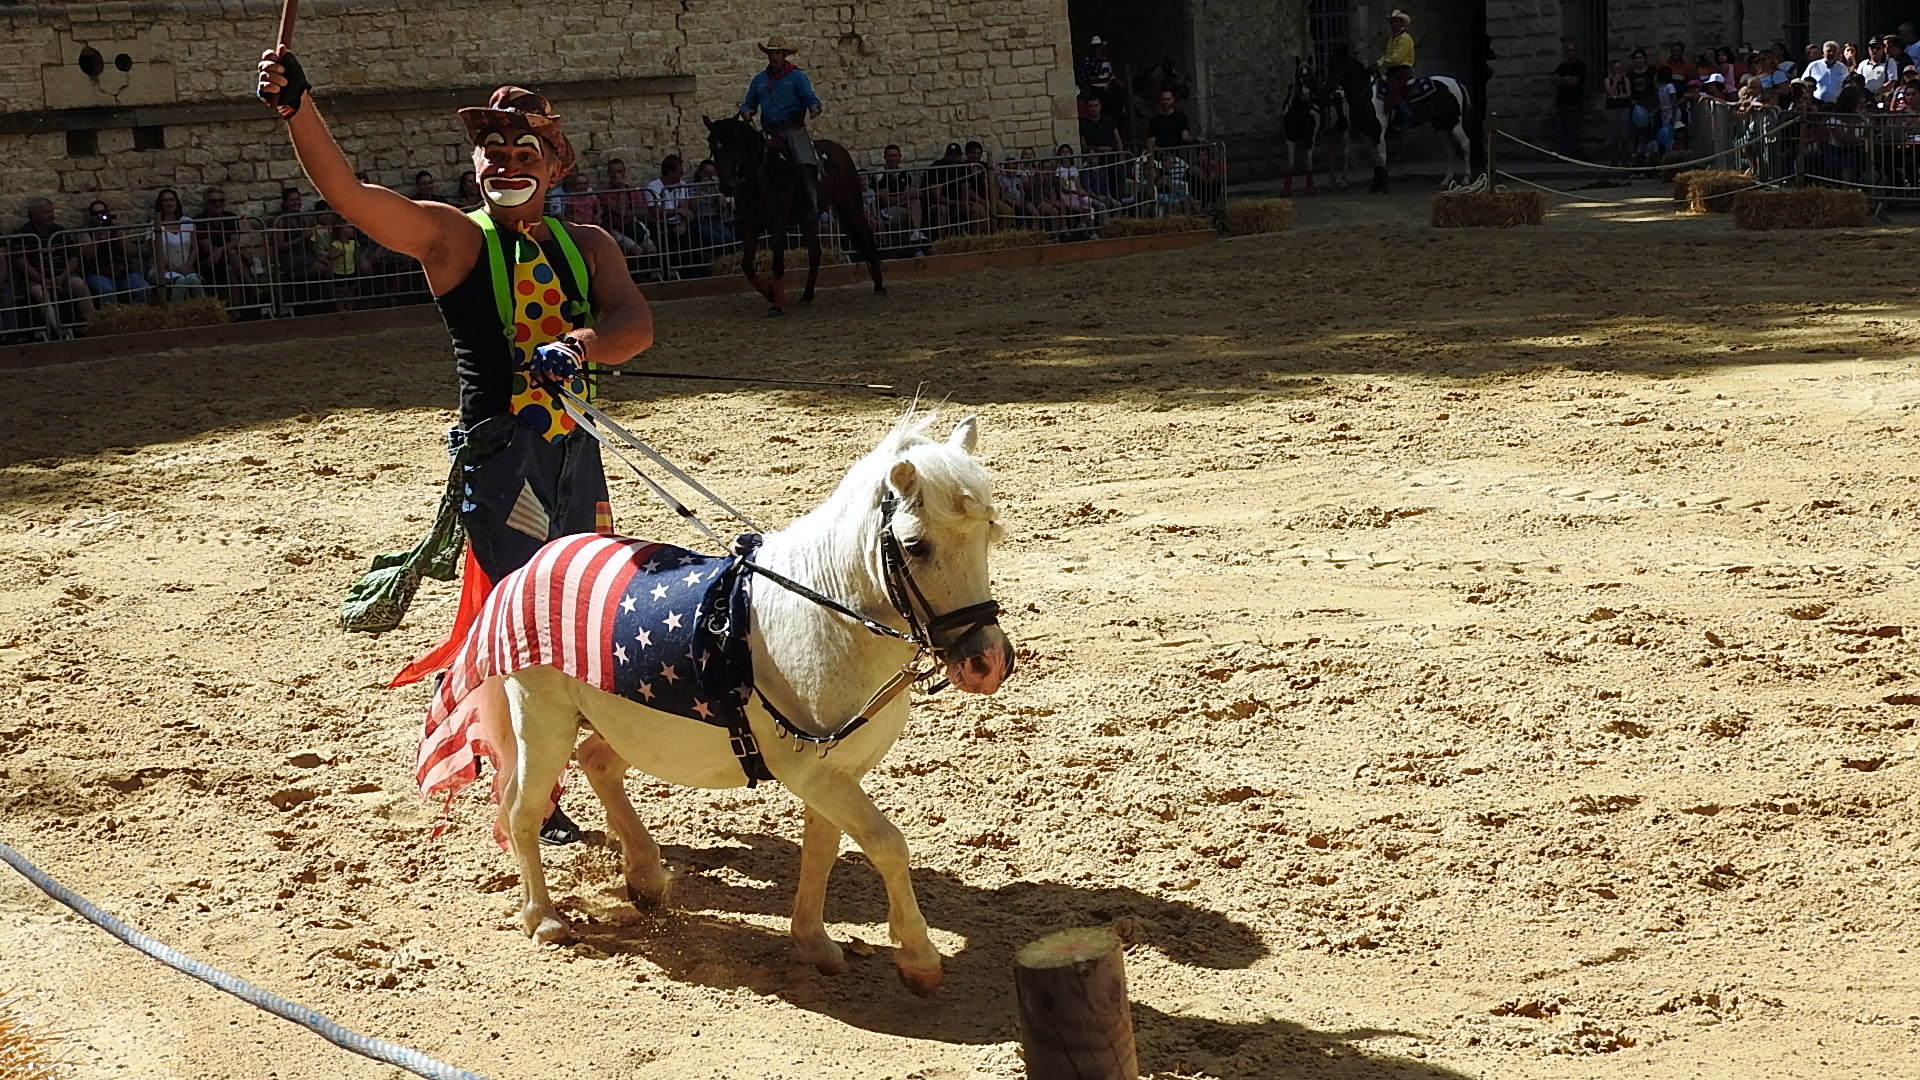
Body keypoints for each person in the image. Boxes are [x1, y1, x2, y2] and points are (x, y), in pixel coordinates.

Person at [258, 51, 655, 846]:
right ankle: (530, 797)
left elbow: (633, 325)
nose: (506, 164)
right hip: (503, 462)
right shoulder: (450, 238)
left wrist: (580, 344)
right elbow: (350, 195)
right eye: (492, 151)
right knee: (526, 626)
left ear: (555, 166)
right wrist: (299, 109)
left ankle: (561, 765)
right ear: (475, 164)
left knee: (581, 613)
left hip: (576, 456)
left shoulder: (590, 245)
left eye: (524, 152)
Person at [737, 36, 823, 216]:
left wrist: (814, 108)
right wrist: (746, 111)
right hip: (769, 130)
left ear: (784, 54)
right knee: (750, 159)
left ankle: (810, 205)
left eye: (777, 53)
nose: (773, 57)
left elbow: (810, 98)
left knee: (804, 161)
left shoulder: (797, 77)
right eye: (771, 53)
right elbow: (749, 102)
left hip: (793, 129)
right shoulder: (759, 80)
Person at [77, 200, 152, 305]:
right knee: (106, 290)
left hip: (122, 273)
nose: (99, 216)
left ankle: (133, 311)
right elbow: (88, 256)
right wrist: (97, 239)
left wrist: (120, 236)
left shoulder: (116, 230)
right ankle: (112, 314)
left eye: (103, 212)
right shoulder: (87, 233)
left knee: (144, 289)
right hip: (98, 273)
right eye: (95, 213)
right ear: (90, 216)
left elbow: (130, 252)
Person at [151, 188, 206, 303]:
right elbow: (157, 252)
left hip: (186, 267)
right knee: (181, 281)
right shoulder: (155, 225)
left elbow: (195, 248)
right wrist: (175, 268)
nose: (169, 203)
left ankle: (206, 307)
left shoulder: (187, 221)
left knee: (194, 281)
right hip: (163, 269)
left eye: (172, 200)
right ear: (160, 204)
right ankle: (175, 311)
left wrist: (187, 266)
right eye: (165, 201)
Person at [873, 144, 927, 244]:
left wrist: (913, 194)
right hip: (884, 210)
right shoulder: (880, 173)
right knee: (909, 213)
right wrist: (907, 196)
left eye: (895, 155)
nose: (893, 158)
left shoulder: (904, 173)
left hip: (900, 206)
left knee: (916, 202)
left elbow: (908, 193)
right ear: (885, 157)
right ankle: (912, 244)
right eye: (890, 156)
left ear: (900, 157)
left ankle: (916, 233)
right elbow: (886, 201)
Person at [1379, 10, 1416, 127]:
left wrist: (1381, 64)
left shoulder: (1405, 38)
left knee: (1393, 91)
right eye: (1392, 22)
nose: (1393, 24)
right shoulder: (1391, 39)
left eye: (1395, 21)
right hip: (1392, 71)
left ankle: (1407, 117)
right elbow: (1387, 55)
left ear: (1402, 23)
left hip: (1402, 71)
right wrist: (1377, 63)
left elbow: (1396, 59)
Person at [1553, 39, 1587, 158]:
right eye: (1568, 50)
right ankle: (1560, 154)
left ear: (1576, 52)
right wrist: (1565, 79)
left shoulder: (1580, 66)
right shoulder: (1562, 66)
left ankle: (1570, 154)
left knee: (1571, 129)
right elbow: (1554, 80)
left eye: (1572, 50)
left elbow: (1574, 82)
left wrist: (1562, 80)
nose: (1570, 52)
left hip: (1574, 103)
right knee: (1560, 130)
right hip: (1561, 102)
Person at [1602, 60, 1633, 164]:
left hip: (1623, 107)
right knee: (1613, 134)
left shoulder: (1626, 79)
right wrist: (1615, 81)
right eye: (1616, 68)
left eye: (1620, 68)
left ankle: (1625, 158)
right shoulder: (1607, 80)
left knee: (1624, 134)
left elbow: (1628, 94)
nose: (1618, 71)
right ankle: (1613, 159)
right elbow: (1609, 92)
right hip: (1611, 108)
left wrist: (1617, 97)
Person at [1805, 40, 1848, 105]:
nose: (1831, 53)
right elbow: (1804, 83)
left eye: (1834, 51)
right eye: (1829, 51)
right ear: (1823, 52)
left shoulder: (1842, 68)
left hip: (1837, 104)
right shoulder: (1813, 66)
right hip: (1818, 104)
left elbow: (1846, 86)